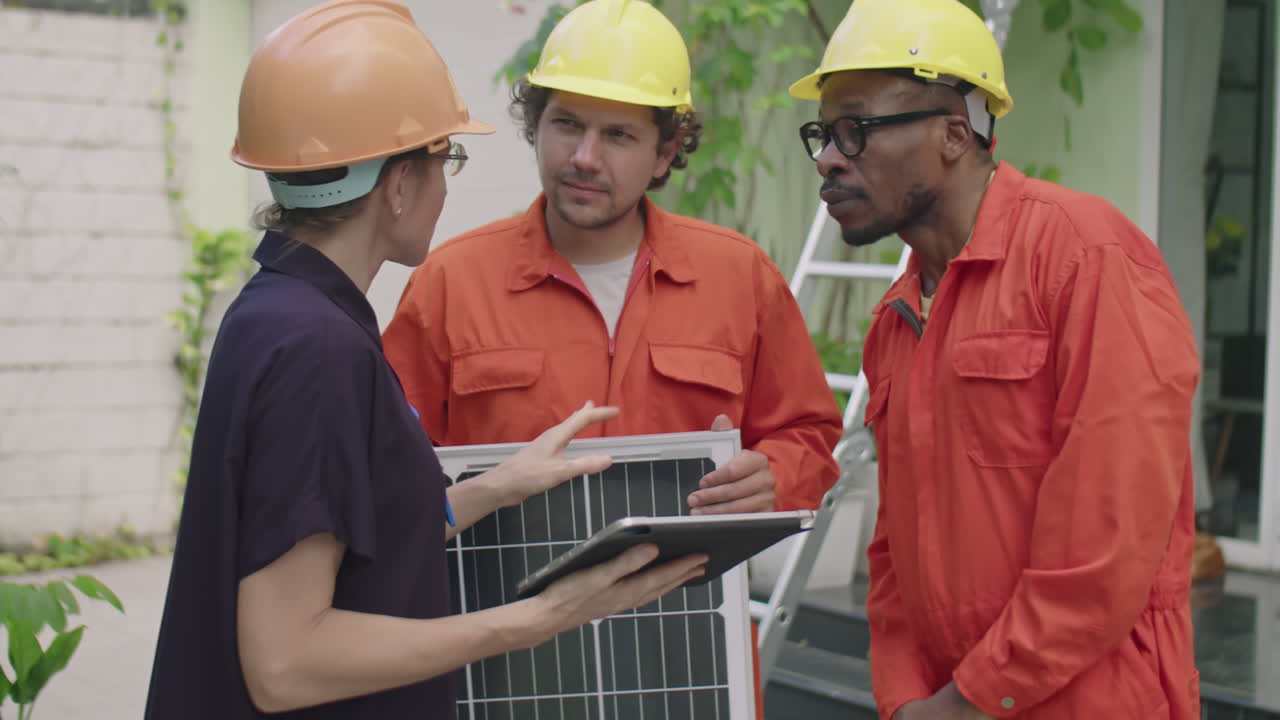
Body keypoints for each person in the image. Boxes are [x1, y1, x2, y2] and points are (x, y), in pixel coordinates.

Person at [143, 3, 706, 718]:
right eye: (447, 160)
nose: (447, 185)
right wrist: (538, 618)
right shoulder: (319, 349)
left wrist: (498, 486)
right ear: (399, 184)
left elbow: (356, 535)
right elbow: (285, 662)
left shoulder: (280, 313)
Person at [788, 0, 1201, 718]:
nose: (829, 157)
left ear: (954, 133)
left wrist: (967, 701)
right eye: (822, 133)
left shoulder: (1086, 257)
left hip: (1091, 699)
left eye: (855, 130)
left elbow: (1106, 547)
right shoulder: (897, 320)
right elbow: (893, 558)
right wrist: (905, 698)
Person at [382, 0, 841, 519]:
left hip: (683, 595)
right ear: (537, 126)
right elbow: (385, 468)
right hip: (506, 598)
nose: (584, 157)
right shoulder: (451, 282)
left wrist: (774, 477)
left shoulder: (740, 276)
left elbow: (808, 434)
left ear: (665, 152)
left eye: (618, 135)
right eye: (568, 124)